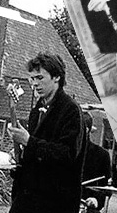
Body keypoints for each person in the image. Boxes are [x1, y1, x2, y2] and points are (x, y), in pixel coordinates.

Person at [7, 53, 87, 213]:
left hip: (55, 201)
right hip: (28, 198)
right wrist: (21, 153)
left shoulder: (70, 110)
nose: (34, 83)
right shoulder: (37, 110)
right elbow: (37, 149)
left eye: (40, 78)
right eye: (31, 79)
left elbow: (67, 154)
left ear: (56, 77)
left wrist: (29, 142)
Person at [80, 112, 111, 213]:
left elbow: (106, 187)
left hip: (88, 206)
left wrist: (96, 200)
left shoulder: (101, 155)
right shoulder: (62, 151)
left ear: (86, 130)